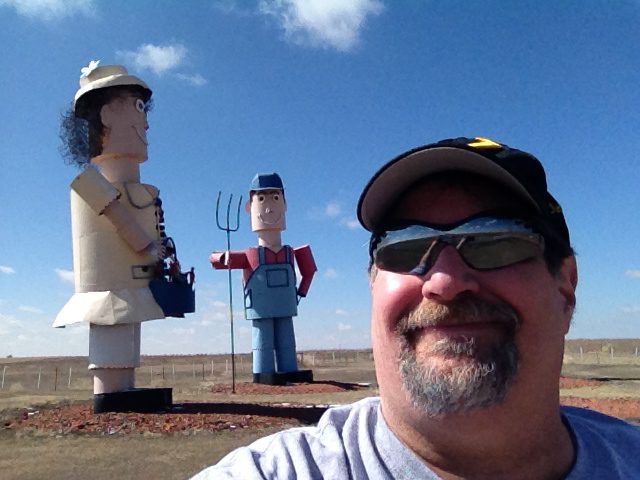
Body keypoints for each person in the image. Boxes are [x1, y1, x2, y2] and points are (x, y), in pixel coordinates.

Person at [192, 137, 640, 479]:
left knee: (282, 342)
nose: (443, 282)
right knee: (263, 342)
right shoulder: (283, 470)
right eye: (404, 250)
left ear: (566, 285)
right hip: (260, 304)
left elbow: (305, 270)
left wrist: (303, 287)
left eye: (495, 242)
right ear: (372, 285)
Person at [55, 61, 192, 412]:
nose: (145, 121)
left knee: (129, 333)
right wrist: (149, 247)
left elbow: (142, 220)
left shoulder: (143, 189)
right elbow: (122, 221)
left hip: (137, 280)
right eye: (137, 107)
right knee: (111, 332)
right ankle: (110, 392)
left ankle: (124, 388)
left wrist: (157, 247)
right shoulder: (90, 184)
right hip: (109, 283)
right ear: (105, 115)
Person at [210, 173, 317, 384]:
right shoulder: (251, 255)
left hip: (286, 305)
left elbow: (310, 270)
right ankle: (263, 372)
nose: (268, 208)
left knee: (287, 341)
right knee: (263, 340)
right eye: (261, 199)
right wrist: (223, 257)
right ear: (250, 208)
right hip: (261, 307)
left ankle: (289, 369)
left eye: (275, 198)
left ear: (285, 205)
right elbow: (214, 260)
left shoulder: (292, 252)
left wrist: (301, 291)